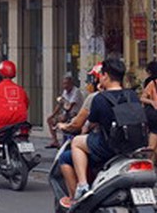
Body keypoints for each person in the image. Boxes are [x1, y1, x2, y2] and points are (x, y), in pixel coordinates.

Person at [62, 57, 140, 208]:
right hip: (131, 146)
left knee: (76, 143)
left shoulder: (100, 98)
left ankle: (83, 186)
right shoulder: (132, 95)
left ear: (105, 76)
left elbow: (90, 123)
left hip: (109, 146)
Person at [57, 64, 103, 198]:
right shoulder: (126, 95)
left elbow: (78, 124)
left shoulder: (95, 97)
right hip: (122, 145)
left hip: (102, 143)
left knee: (65, 157)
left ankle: (78, 194)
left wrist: (65, 126)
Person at [47, 74, 84, 148]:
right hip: (67, 114)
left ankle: (67, 140)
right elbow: (60, 104)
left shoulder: (76, 92)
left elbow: (69, 107)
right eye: (63, 84)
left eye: (66, 83)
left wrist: (63, 102)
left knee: (62, 118)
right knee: (50, 120)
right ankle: (55, 141)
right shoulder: (65, 91)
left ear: (71, 83)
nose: (65, 86)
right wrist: (53, 115)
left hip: (75, 114)